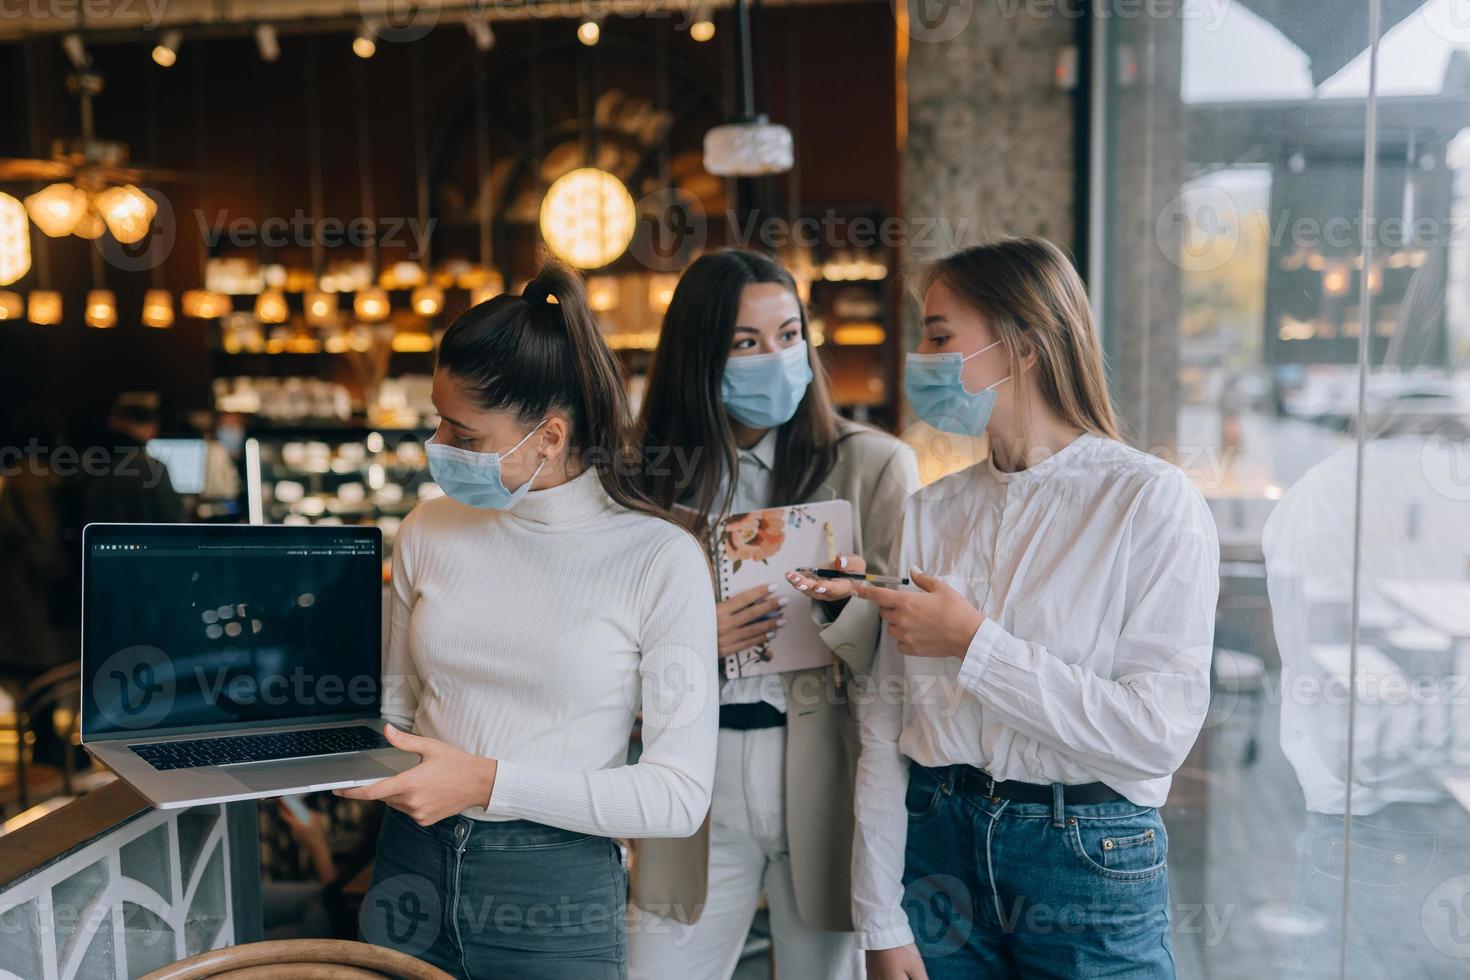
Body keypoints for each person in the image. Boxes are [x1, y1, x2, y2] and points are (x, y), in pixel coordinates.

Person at [833, 238, 1219, 979]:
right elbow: (884, 722)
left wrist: (974, 644)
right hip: (936, 845)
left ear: (1024, 346)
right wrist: (878, 916)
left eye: (940, 335)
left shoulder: (1147, 501)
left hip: (1089, 861)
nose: (919, 356)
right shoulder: (928, 512)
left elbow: (1156, 733)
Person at [343, 263, 719, 979]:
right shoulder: (428, 528)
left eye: (464, 433)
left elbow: (677, 797)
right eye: (437, 420)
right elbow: (393, 713)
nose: (438, 447)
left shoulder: (657, 557)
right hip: (407, 868)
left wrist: (486, 782)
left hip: (553, 890)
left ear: (548, 436)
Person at [629, 249, 918, 980]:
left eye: (789, 335)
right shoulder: (639, 477)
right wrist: (690, 642)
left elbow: (903, 652)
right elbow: (601, 644)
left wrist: (845, 609)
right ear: (699, 355)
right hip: (692, 772)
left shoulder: (873, 464)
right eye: (746, 343)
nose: (776, 358)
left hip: (826, 764)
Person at [76, 392, 185, 526]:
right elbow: (175, 522)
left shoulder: (86, 463)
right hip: (145, 546)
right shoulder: (153, 469)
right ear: (152, 429)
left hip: (95, 546)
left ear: (113, 421)